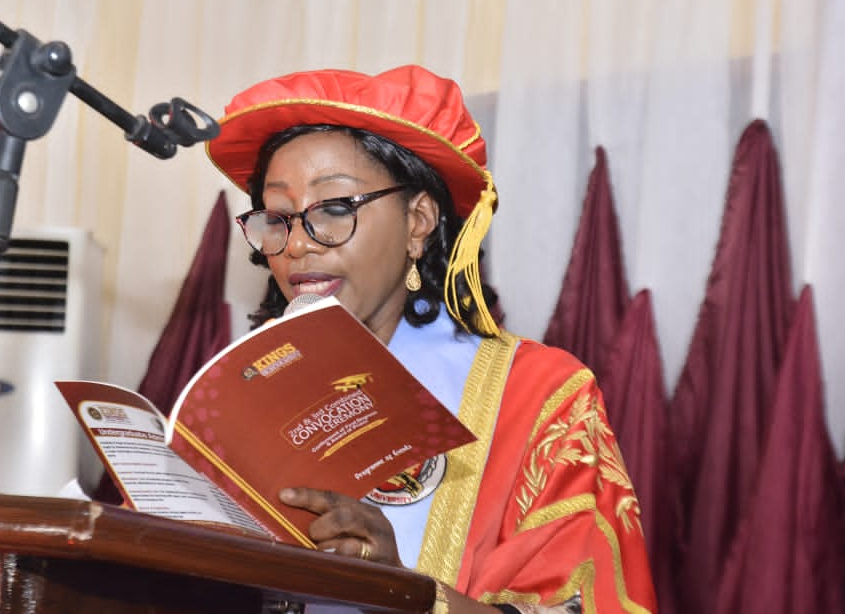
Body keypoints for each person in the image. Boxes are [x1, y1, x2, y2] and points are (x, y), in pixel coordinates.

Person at [206, 65, 657, 614]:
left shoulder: (538, 398)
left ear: (418, 221)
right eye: (279, 217)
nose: (298, 243)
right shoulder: (237, 399)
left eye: (334, 209)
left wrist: (401, 589)